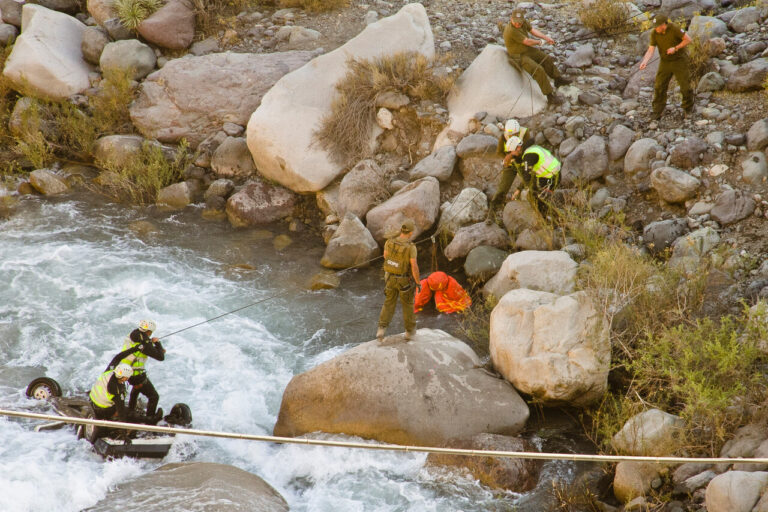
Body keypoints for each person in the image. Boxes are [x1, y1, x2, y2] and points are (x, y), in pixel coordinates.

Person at [503, 9, 570, 105]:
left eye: (520, 22)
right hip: (518, 55)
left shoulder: (522, 22)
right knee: (538, 70)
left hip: (526, 50)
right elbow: (527, 41)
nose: (518, 24)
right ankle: (550, 97)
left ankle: (558, 79)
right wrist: (539, 42)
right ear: (511, 19)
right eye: (516, 22)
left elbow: (532, 30)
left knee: (546, 58)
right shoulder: (510, 31)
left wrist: (546, 38)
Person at [108, 319, 165, 423]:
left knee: (137, 388)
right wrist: (158, 344)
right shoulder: (145, 344)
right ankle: (150, 421)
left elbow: (146, 346)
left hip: (125, 370)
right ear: (149, 331)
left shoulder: (134, 334)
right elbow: (160, 357)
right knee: (154, 396)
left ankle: (131, 410)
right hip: (135, 374)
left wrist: (151, 344)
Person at [638, 14, 693, 120]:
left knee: (685, 86)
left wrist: (675, 48)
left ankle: (688, 108)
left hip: (679, 61)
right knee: (659, 86)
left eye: (657, 26)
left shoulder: (674, 29)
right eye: (655, 26)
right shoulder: (654, 33)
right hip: (665, 62)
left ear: (663, 25)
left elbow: (688, 40)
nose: (655, 28)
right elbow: (651, 49)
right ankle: (657, 111)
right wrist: (644, 61)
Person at [376, 220, 420, 342]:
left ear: (401, 230)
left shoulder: (389, 242)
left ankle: (381, 329)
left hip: (389, 278)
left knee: (389, 303)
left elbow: (386, 256)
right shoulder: (411, 247)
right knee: (408, 305)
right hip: (404, 281)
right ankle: (409, 332)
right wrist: (418, 282)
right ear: (410, 233)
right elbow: (414, 266)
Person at [496, 136, 561, 216]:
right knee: (533, 194)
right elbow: (529, 176)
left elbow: (527, 177)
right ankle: (551, 217)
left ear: (519, 147)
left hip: (552, 178)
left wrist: (528, 190)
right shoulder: (530, 150)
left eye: (511, 152)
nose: (512, 155)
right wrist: (519, 189)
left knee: (535, 198)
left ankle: (555, 220)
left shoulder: (528, 156)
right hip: (547, 175)